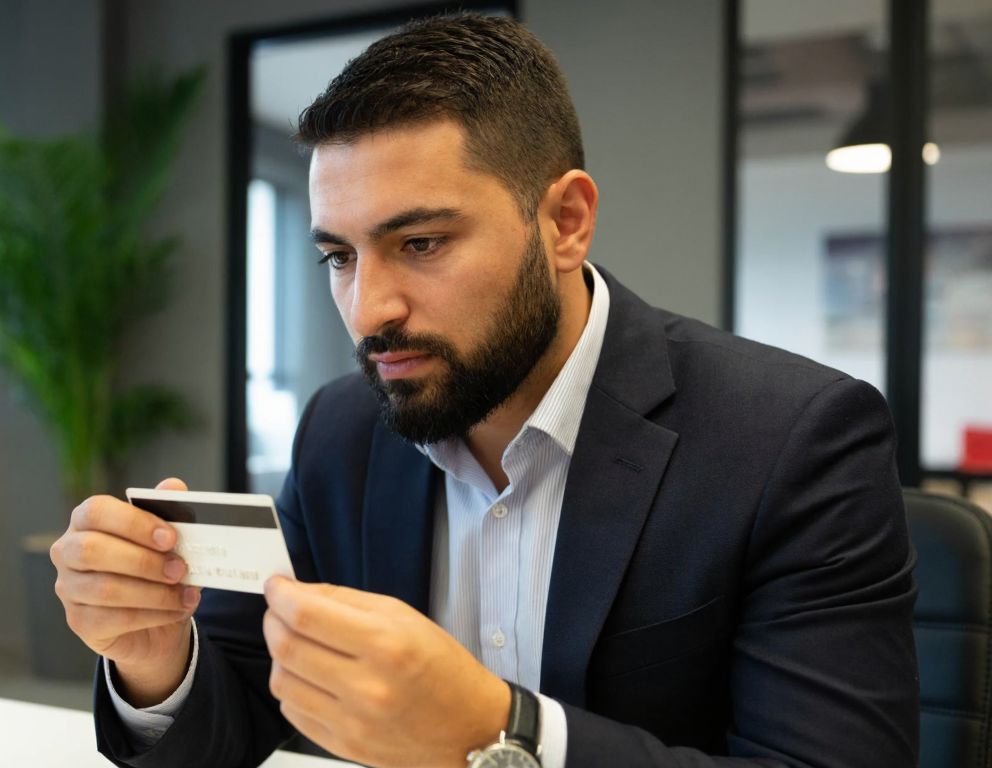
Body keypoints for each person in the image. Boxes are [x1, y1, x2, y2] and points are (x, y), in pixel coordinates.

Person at [49, 14, 919, 768]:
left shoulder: (792, 439)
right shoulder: (342, 430)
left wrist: (499, 732)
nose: (369, 310)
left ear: (565, 222)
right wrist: (157, 659)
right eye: (338, 257)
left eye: (421, 243)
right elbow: (235, 717)